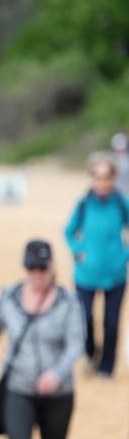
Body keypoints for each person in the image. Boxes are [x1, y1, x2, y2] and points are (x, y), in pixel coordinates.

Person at [0, 240, 84, 439]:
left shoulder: (68, 303)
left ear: (51, 268)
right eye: (31, 267)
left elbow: (76, 344)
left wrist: (57, 374)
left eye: (42, 268)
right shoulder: (8, 298)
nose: (36, 273)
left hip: (58, 393)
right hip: (18, 388)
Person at [64, 154, 129, 378]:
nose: (102, 183)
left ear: (113, 178)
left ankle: (107, 368)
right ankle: (91, 356)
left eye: (107, 177)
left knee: (111, 325)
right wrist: (78, 251)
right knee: (85, 321)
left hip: (116, 276)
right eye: (98, 177)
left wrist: (124, 255)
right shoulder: (83, 205)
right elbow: (69, 231)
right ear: (92, 179)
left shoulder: (121, 204)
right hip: (86, 275)